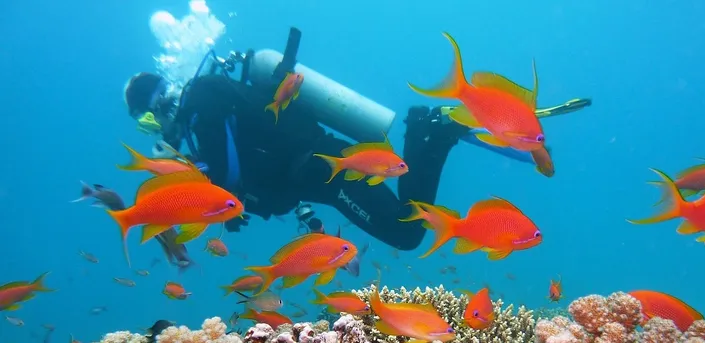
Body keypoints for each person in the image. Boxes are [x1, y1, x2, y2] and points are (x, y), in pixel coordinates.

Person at [123, 28, 590, 251]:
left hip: (325, 169)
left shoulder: (202, 104)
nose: (157, 128)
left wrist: (207, 202)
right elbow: (253, 157)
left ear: (156, 106)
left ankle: (433, 131)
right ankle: (435, 131)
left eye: (148, 120)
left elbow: (228, 175)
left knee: (408, 231)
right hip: (314, 173)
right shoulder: (208, 103)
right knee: (407, 228)